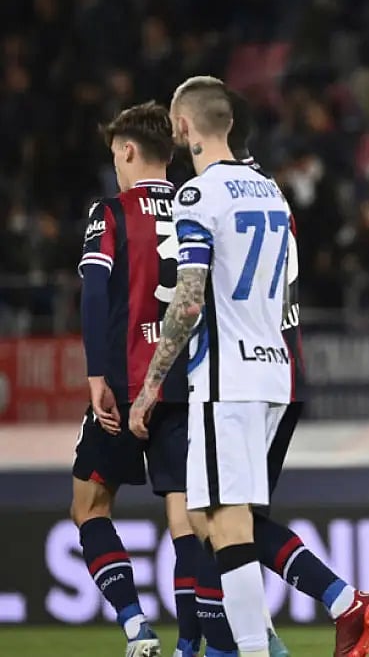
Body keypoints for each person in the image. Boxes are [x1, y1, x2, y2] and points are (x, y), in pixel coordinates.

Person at [129, 76, 369, 657]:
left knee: (226, 522)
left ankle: (253, 648)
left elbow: (189, 298)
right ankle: (322, 611)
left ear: (182, 127)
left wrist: (149, 386)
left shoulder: (198, 194)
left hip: (227, 378)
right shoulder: (272, 191)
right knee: (209, 517)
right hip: (274, 371)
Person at [72, 101, 198, 657]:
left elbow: (96, 291)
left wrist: (96, 372)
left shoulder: (112, 211)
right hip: (186, 383)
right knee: (186, 519)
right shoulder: (197, 207)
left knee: (91, 507)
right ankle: (193, 643)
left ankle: (135, 627)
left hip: (124, 384)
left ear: (126, 150)